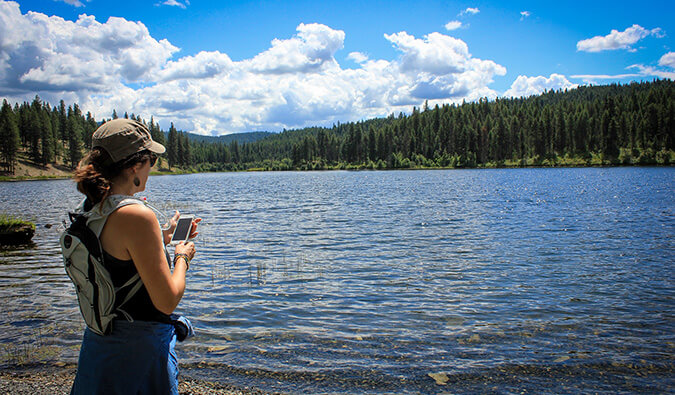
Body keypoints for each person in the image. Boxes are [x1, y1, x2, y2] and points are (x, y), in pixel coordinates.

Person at [69, 118, 200, 394]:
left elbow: (114, 257)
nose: (152, 167)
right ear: (133, 166)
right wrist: (181, 257)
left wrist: (162, 237)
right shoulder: (137, 215)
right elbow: (167, 301)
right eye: (151, 159)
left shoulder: (91, 207)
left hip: (98, 348)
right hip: (138, 354)